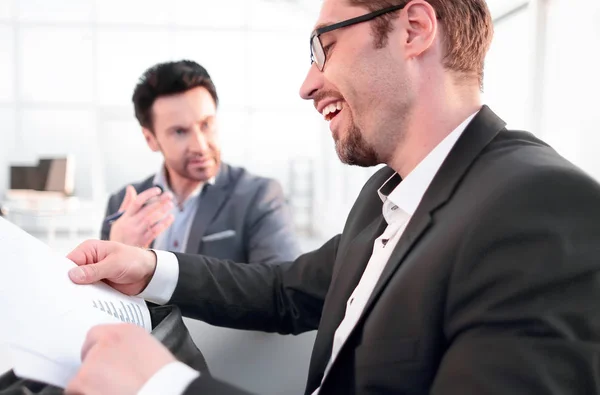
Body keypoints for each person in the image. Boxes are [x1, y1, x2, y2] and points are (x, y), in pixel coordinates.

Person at [65, 0, 600, 394]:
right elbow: (285, 291)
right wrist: (149, 265)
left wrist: (164, 386)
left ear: (413, 29)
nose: (306, 83)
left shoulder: (543, 206)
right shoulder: (385, 194)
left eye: (325, 45)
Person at [101, 60, 301, 263]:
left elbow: (281, 287)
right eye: (180, 132)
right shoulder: (122, 206)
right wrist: (121, 253)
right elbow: (101, 292)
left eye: (206, 124)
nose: (201, 146)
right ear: (150, 139)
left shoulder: (259, 197)